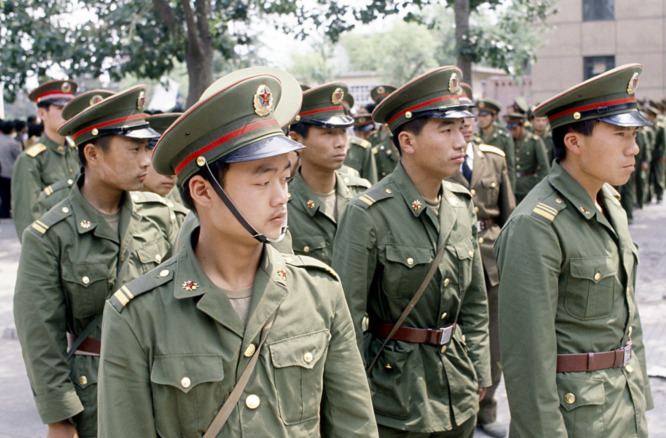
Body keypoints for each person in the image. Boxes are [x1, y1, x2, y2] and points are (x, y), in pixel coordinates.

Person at [97, 67, 378, 437]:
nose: (282, 197)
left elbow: (353, 426)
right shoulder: (138, 315)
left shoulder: (319, 292)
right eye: (262, 181)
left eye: (284, 178)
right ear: (202, 191)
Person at [495, 63, 654, 438]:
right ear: (574, 142)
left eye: (634, 135)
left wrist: (640, 399)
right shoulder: (536, 226)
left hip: (622, 403)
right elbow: (527, 359)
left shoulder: (609, 202)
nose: (633, 148)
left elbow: (628, 317)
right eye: (620, 135)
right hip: (576, 419)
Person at [14, 85, 181, 438]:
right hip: (94, 391)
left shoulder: (160, 217)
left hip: (162, 383)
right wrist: (59, 419)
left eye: (146, 148)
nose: (146, 160)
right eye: (134, 149)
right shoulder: (49, 236)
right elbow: (40, 335)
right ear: (92, 153)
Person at [332, 66, 491, 437]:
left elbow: (475, 302)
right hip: (395, 397)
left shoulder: (461, 203)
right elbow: (346, 320)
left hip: (458, 386)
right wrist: (352, 402)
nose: (460, 141)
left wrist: (480, 369)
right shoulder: (369, 213)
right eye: (445, 130)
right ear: (407, 141)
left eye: (461, 128)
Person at [448, 85, 515, 438]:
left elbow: (509, 215)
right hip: (450, 260)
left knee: (493, 341)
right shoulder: (440, 160)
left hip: (490, 259)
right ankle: (457, 410)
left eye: (471, 116)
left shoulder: (495, 157)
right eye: (458, 119)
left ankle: (486, 410)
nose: (468, 124)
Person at [287, 83, 371, 265]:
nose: (341, 142)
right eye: (328, 133)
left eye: (342, 132)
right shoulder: (284, 205)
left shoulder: (363, 193)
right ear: (296, 140)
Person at [11, 79, 80, 239]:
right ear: (42, 114)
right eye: (60, 108)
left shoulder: (76, 152)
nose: (66, 114)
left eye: (69, 109)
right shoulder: (30, 160)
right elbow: (27, 218)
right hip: (51, 249)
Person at [505, 110, 550, 204]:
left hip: (529, 187)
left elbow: (545, 168)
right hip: (513, 187)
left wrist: (538, 185)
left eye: (514, 129)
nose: (512, 132)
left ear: (522, 126)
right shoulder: (509, 141)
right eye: (510, 129)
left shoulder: (534, 141)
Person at [0, 120, 22, 218]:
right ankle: (7, 211)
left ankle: (3, 211)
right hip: (10, 171)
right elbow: (19, 156)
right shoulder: (12, 142)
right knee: (9, 194)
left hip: (1, 170)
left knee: (3, 194)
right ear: (12, 130)